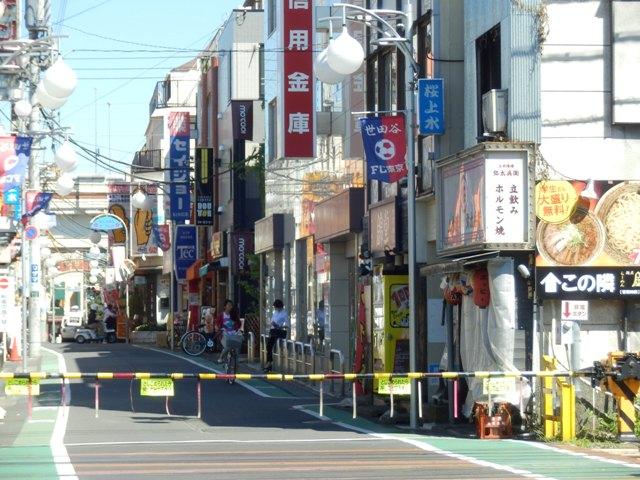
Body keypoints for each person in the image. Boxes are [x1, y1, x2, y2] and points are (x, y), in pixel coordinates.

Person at [264, 299, 289, 372]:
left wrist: (280, 326)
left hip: (278, 331)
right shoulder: (275, 312)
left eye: (276, 307)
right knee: (269, 346)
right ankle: (269, 362)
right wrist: (272, 323)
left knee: (269, 345)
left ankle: (269, 363)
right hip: (273, 330)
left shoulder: (284, 314)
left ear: (280, 306)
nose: (275, 308)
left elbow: (287, 325)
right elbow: (272, 321)